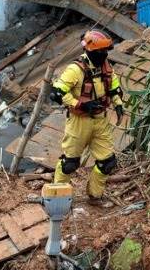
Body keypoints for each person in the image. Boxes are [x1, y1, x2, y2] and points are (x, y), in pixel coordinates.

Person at [50, 30, 124, 205]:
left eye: (106, 51)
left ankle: (95, 195)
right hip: (79, 122)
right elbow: (57, 93)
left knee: (107, 162)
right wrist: (80, 104)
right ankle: (56, 198)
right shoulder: (75, 69)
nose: (104, 55)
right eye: (100, 52)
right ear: (90, 51)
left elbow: (113, 85)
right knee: (70, 163)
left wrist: (118, 103)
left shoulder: (106, 66)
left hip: (100, 120)